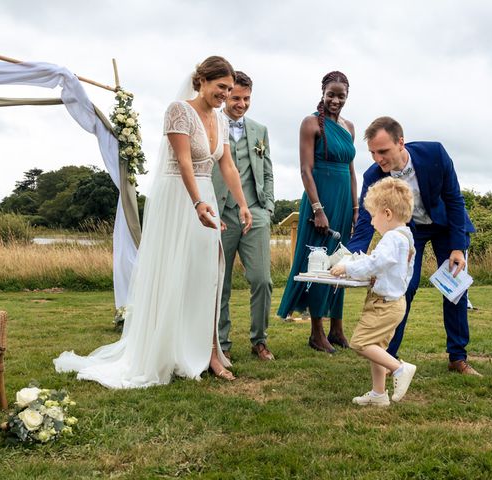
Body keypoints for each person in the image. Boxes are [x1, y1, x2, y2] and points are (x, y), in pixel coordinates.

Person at [54, 56, 253, 388]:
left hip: (206, 199)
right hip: (180, 199)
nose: (225, 94)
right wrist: (197, 202)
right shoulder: (178, 110)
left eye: (230, 89)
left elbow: (227, 166)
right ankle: (168, 350)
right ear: (202, 81)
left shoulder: (219, 119)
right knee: (177, 272)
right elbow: (185, 161)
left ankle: (210, 353)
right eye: (221, 87)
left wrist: (243, 204)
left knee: (208, 276)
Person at [347, 116, 481, 376]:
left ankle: (458, 357)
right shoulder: (373, 175)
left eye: (383, 151)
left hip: (446, 227)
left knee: (455, 291)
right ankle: (389, 359)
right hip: (411, 231)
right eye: (373, 152)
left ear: (400, 143)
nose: (378, 159)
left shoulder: (435, 153)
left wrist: (457, 246)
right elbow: (365, 219)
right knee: (402, 288)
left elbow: (454, 200)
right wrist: (353, 255)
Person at [277, 71, 357, 353]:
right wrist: (318, 208)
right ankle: (316, 332)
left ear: (347, 96)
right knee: (318, 265)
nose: (335, 100)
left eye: (341, 96)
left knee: (341, 262)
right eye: (331, 94)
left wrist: (356, 207)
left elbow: (350, 169)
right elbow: (305, 169)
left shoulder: (349, 127)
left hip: (344, 201)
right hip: (319, 200)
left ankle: (337, 328)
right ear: (323, 92)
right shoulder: (310, 123)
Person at [330, 177, 417, 405]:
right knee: (377, 346)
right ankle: (379, 394)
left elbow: (374, 264)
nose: (371, 223)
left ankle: (399, 368)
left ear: (387, 213)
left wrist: (346, 267)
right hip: (394, 302)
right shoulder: (406, 236)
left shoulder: (391, 238)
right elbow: (386, 267)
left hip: (384, 304)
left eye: (373, 216)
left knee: (360, 342)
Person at [212, 71, 275, 361]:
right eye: (236, 97)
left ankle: (259, 340)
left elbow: (267, 171)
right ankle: (220, 342)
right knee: (219, 282)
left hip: (256, 213)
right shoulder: (211, 125)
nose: (241, 103)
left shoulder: (260, 129)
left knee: (262, 279)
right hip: (221, 213)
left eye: (246, 98)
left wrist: (269, 208)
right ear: (226, 96)